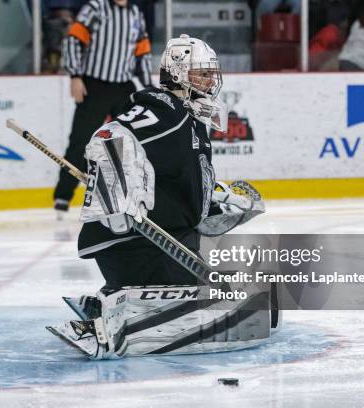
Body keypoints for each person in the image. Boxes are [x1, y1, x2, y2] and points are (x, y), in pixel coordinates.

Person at [47, 34, 274, 359]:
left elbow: (180, 181)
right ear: (179, 73)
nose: (211, 81)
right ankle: (112, 323)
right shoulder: (168, 111)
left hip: (154, 246)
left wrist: (215, 203)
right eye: (202, 73)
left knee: (252, 295)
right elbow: (107, 136)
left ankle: (114, 299)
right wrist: (117, 198)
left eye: (212, 73)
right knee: (240, 307)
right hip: (135, 245)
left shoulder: (189, 116)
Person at [54, 0, 153, 216]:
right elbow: (73, 39)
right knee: (80, 141)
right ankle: (63, 195)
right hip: (94, 85)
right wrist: (75, 75)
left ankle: (133, 195)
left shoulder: (135, 13)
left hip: (123, 86)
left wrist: (148, 88)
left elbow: (142, 52)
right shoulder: (96, 7)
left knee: (132, 143)